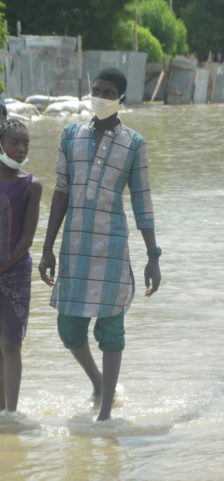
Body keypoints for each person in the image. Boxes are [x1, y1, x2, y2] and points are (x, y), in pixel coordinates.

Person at [39, 68, 161, 421]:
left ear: (121, 99)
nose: (101, 97)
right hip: (74, 245)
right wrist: (47, 248)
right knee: (69, 328)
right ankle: (97, 382)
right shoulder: (69, 135)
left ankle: (105, 413)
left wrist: (153, 256)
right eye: (96, 90)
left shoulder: (134, 144)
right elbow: (61, 191)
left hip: (111, 247)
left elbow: (142, 202)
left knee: (110, 329)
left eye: (108, 92)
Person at [0, 120, 42, 413]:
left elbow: (27, 238)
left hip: (15, 273)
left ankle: (11, 414)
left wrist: (4, 266)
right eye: (15, 142)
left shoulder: (31, 185)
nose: (20, 148)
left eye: (25, 143)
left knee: (11, 344)